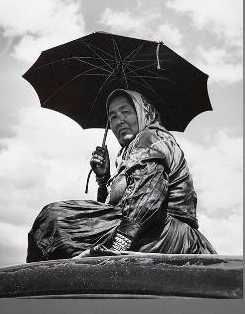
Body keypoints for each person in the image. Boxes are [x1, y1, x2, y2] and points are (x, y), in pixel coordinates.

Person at [26, 89, 216, 262]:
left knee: (55, 217)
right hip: (146, 230)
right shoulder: (128, 154)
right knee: (56, 223)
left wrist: (117, 246)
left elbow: (147, 200)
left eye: (126, 112)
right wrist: (103, 178)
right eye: (113, 116)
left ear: (143, 113)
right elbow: (113, 210)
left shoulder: (150, 138)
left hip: (168, 235)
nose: (119, 121)